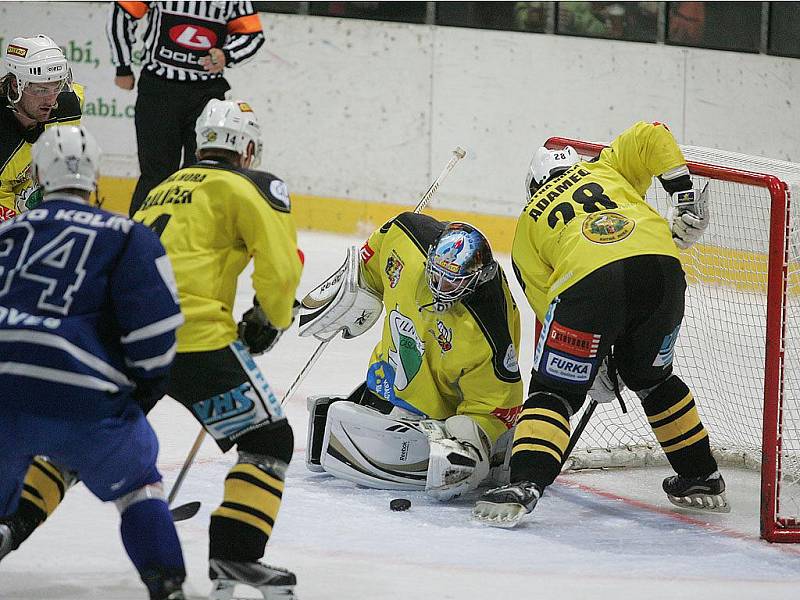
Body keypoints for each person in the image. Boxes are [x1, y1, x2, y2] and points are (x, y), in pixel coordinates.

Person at [473, 121, 726, 528]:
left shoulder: (528, 224)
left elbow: (549, 305)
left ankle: (524, 483)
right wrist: (682, 192)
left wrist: (591, 366)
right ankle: (701, 475)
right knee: (653, 378)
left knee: (555, 390)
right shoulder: (606, 169)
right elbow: (652, 134)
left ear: (533, 186)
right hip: (663, 273)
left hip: (590, 285)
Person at [0, 125, 187, 600]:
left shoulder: (8, 232)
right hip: (83, 400)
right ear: (96, 177)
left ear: (40, 174)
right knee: (138, 486)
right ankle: (167, 585)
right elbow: (156, 333)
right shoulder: (130, 237)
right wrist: (140, 392)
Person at [133, 99, 302, 599]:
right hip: (196, 341)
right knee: (268, 441)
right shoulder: (250, 184)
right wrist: (270, 319)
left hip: (133, 341)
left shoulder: (161, 188)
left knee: (91, 437)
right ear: (246, 149)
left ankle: (14, 516)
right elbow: (281, 267)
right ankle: (235, 555)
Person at [299, 213, 523, 501]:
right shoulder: (406, 238)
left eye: (452, 283)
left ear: (478, 279)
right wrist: (357, 286)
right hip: (386, 380)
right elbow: (376, 254)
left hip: (436, 414)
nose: (440, 289)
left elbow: (496, 405)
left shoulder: (488, 330)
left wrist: (473, 443)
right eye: (437, 275)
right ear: (429, 257)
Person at [0, 33, 89, 558]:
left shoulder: (66, 103)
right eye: (38, 87)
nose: (50, 96)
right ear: (12, 86)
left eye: (55, 83)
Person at [106, 0, 265, 216]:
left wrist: (227, 54)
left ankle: (197, 237)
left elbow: (253, 35)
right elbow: (121, 12)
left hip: (207, 96)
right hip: (159, 89)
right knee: (156, 173)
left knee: (204, 173)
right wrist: (122, 65)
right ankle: (141, 240)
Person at [1, 34, 84, 221]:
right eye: (41, 90)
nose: (51, 100)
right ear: (16, 85)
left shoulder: (68, 104)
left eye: (56, 87)